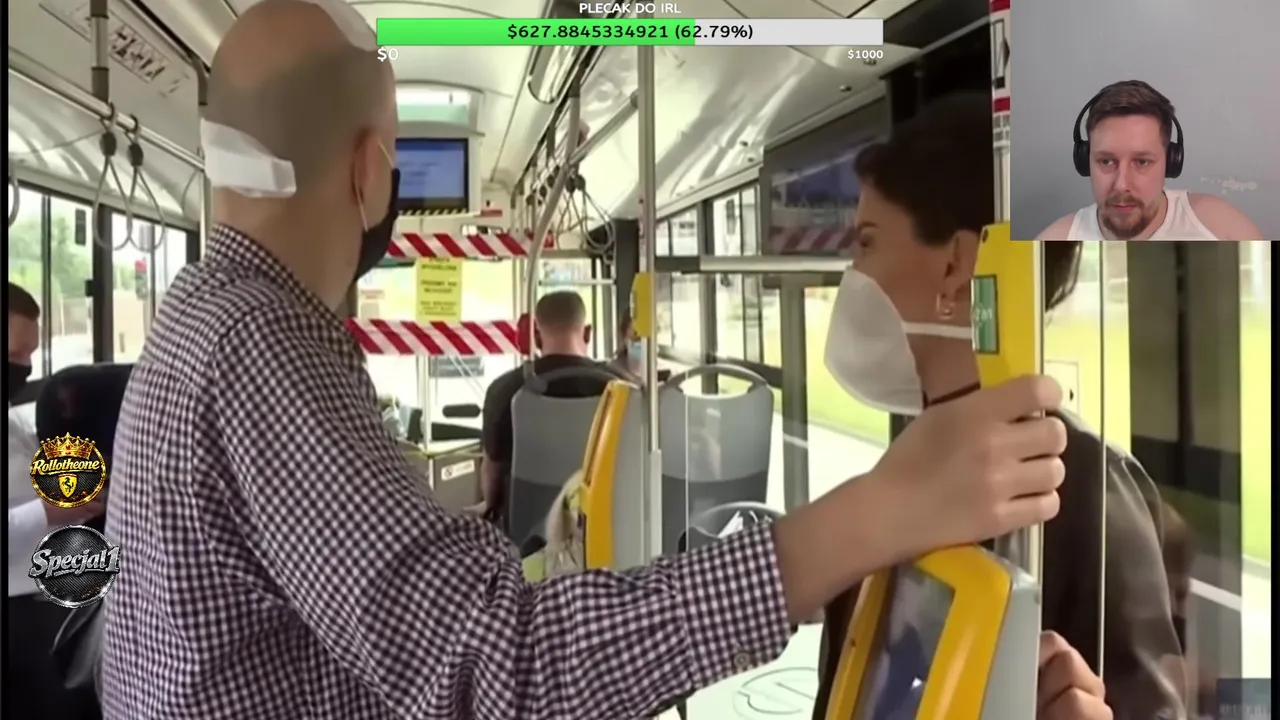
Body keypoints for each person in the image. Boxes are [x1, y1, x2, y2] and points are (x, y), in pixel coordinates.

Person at [97, 2, 1071, 718]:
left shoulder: (196, 319)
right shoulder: (264, 342)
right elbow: (493, 672)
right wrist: (858, 521)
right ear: (369, 172)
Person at [813, 92, 1185, 720]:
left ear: (957, 267)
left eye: (868, 244)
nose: (851, 272)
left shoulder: (1082, 489)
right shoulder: (908, 465)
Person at [6, 282, 104, 720]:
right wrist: (47, 512)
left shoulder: (13, 423)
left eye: (30, 355)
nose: (24, 369)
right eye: (14, 355)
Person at [1037, 80, 1262, 241]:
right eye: (1106, 161)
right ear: (1085, 161)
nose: (1121, 185)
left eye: (1142, 162)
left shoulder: (1223, 228)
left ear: (1170, 162)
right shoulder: (1053, 242)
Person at [477, 290, 610, 519]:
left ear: (537, 338)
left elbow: (493, 474)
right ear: (588, 333)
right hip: (604, 520)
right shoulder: (618, 389)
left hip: (525, 524)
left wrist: (491, 506)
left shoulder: (505, 390)